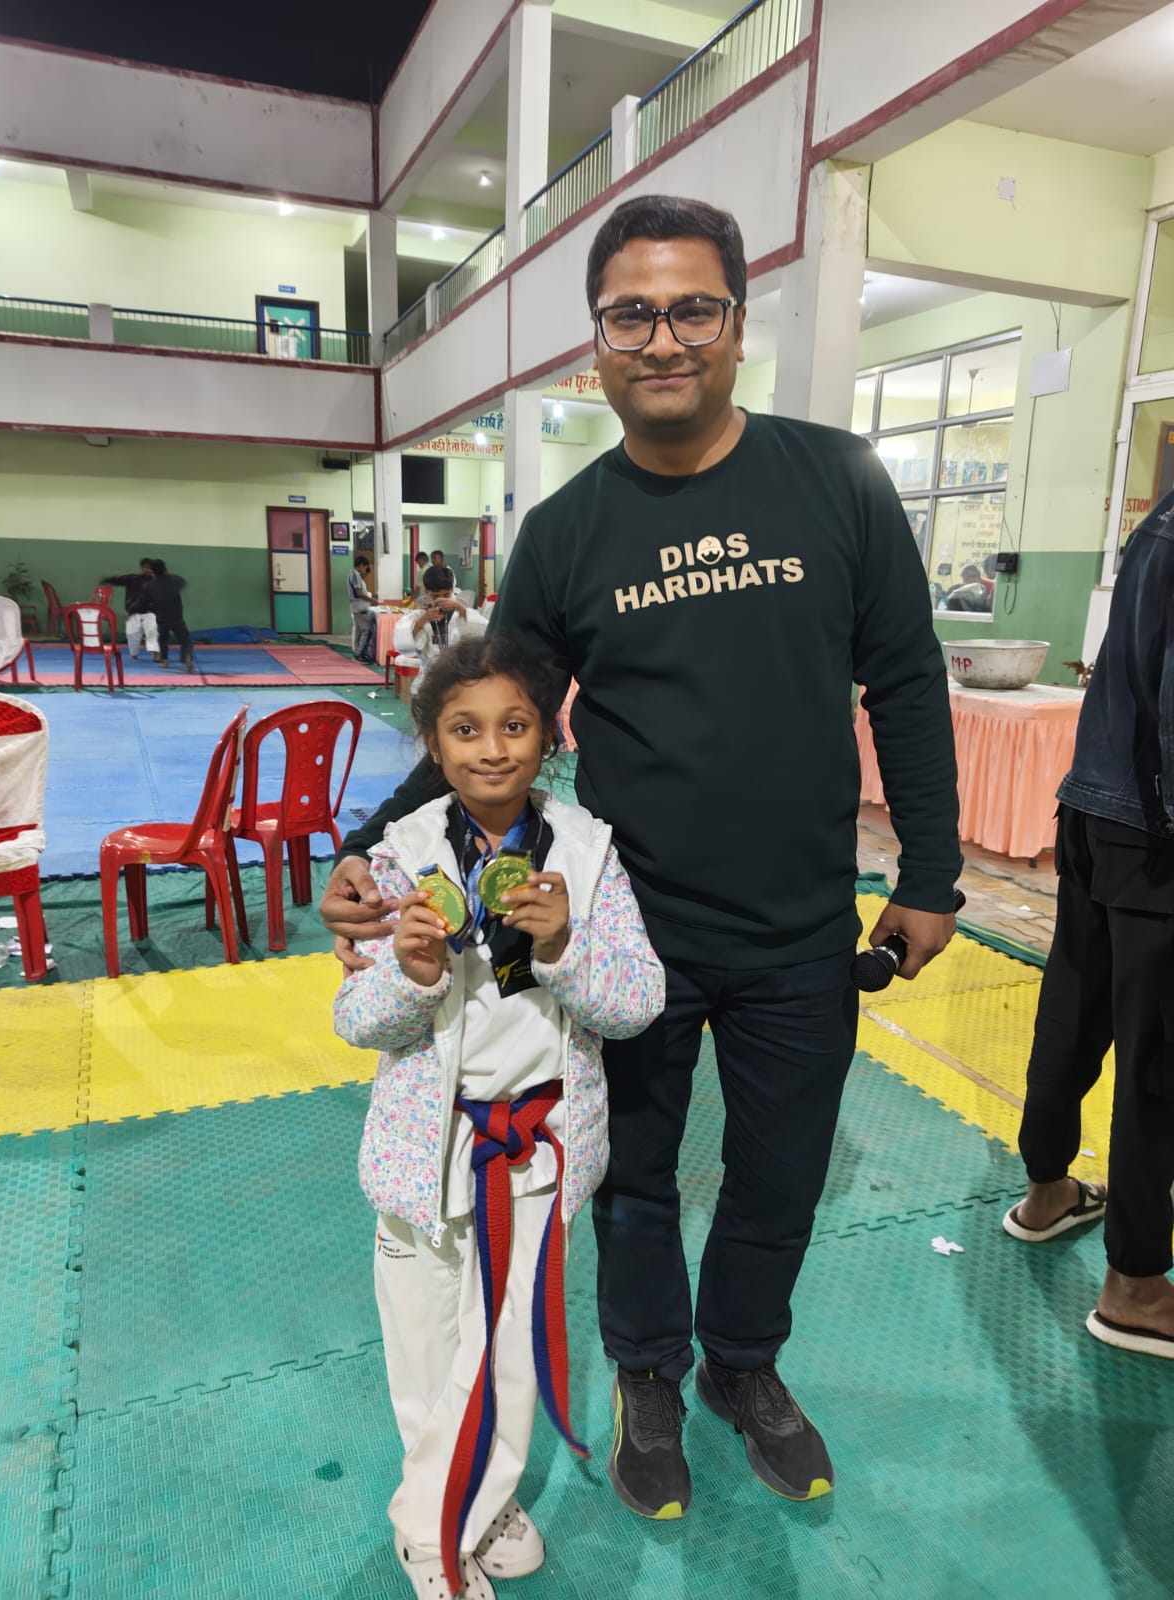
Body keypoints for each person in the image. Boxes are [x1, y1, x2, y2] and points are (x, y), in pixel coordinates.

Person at [321, 194, 961, 1519]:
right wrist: (371, 848)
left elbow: (906, 683)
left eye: (692, 310)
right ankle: (649, 1372)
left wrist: (932, 876)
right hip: (619, 934)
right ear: (597, 341)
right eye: (631, 315)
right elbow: (487, 722)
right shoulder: (566, 533)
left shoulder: (838, 481)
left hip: (802, 927)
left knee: (781, 1176)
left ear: (738, 325)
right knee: (631, 1181)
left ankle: (745, 1363)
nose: (662, 339)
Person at [333, 634, 664, 1598]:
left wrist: (563, 948)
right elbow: (355, 1019)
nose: (492, 748)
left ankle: (440, 1534)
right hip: (421, 1150)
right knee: (426, 1350)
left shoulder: (589, 855)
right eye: (465, 729)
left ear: (548, 737)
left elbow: (638, 1003)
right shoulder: (398, 860)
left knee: (506, 1350)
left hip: (535, 1152)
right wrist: (409, 974)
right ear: (434, 745)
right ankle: (474, 1501)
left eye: (515, 725)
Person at [1003, 490, 1174, 1361]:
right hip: (1158, 835)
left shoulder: (1162, 520)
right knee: (1157, 1066)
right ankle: (1136, 1285)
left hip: (1098, 810)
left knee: (1072, 1015)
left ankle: (1047, 1192)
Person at [392, 564, 487, 693]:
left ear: (452, 590)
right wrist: (422, 621)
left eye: (446, 595)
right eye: (435, 596)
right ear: (426, 593)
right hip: (429, 680)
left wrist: (460, 609)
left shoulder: (463, 614)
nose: (441, 600)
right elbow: (403, 646)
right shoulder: (418, 617)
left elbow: (486, 633)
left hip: (458, 679)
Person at [143, 558, 196, 671]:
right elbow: (182, 582)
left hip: (161, 616)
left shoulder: (150, 586)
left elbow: (146, 602)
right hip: (176, 616)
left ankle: (165, 661)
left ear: (152, 571)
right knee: (184, 639)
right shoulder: (175, 580)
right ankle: (188, 659)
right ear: (165, 569)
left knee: (163, 639)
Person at [99, 558, 159, 658]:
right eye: (146, 567)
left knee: (152, 631)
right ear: (142, 568)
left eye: (150, 568)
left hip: (150, 612)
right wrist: (107, 580)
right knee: (131, 634)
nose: (148, 570)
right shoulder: (132, 578)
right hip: (133, 612)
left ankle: (156, 653)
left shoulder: (157, 581)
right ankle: (133, 653)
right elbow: (117, 580)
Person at [347, 554, 376, 657]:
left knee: (358, 631)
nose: (365, 571)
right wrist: (372, 600)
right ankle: (360, 653)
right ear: (361, 565)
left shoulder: (353, 574)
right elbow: (359, 593)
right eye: (365, 567)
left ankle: (356, 651)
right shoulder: (355, 574)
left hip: (357, 606)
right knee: (366, 630)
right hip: (359, 607)